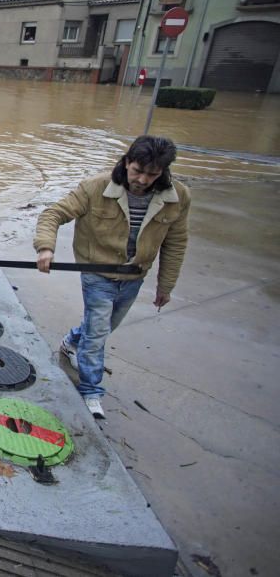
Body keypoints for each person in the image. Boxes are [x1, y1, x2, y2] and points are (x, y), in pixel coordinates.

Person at [33, 135, 190, 420]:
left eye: (152, 174)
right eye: (137, 171)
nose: (142, 179)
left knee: (104, 327)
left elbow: (176, 242)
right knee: (97, 335)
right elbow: (54, 213)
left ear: (163, 172)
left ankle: (70, 341)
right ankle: (91, 392)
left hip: (134, 275)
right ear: (127, 161)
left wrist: (166, 285)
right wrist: (46, 247)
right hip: (97, 272)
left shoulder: (177, 197)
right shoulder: (96, 187)